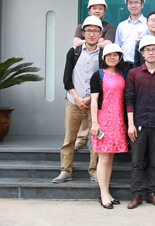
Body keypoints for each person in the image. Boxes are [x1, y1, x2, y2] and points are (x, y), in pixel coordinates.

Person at [52, 16, 101, 184]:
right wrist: (77, 98)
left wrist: (89, 98)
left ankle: (94, 171)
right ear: (83, 33)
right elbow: (67, 78)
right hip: (74, 102)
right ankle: (65, 171)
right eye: (88, 31)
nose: (92, 34)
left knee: (96, 139)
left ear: (100, 34)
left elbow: (102, 81)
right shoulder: (74, 52)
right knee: (69, 139)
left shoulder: (103, 55)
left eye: (95, 31)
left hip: (93, 103)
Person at [125, 35, 155, 209]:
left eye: (153, 50)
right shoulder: (133, 73)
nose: (150, 53)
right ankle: (136, 194)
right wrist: (131, 124)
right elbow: (129, 100)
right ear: (142, 53)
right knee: (137, 161)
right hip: (139, 123)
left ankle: (151, 193)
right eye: (147, 50)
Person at [72, 0, 115, 150]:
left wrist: (91, 42)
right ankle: (81, 138)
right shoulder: (81, 26)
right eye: (94, 8)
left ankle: (95, 141)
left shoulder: (109, 26)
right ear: (89, 10)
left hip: (100, 68)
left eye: (100, 8)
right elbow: (75, 43)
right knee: (81, 105)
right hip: (83, 69)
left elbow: (108, 43)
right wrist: (97, 41)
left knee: (97, 105)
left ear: (104, 11)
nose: (97, 11)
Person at [89, 43, 128, 209]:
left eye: (115, 55)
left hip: (118, 121)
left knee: (110, 159)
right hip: (103, 120)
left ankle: (107, 192)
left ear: (119, 57)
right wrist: (94, 122)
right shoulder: (98, 75)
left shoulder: (121, 74)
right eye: (109, 55)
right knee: (103, 158)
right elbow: (94, 101)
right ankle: (103, 193)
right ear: (104, 57)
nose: (112, 57)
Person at [115, 0, 149, 68]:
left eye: (136, 2)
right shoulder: (121, 26)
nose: (133, 6)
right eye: (130, 3)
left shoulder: (148, 24)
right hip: (124, 66)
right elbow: (118, 46)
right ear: (127, 5)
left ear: (142, 5)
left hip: (142, 66)